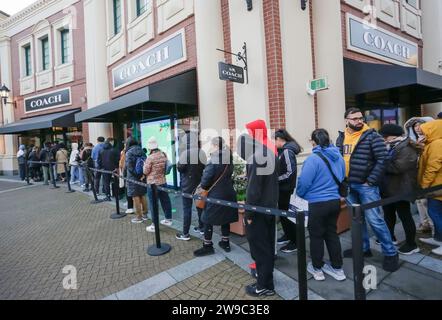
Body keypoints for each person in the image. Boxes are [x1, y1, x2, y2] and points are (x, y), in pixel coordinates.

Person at [336, 108, 399, 272]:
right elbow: (338, 159)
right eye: (355, 118)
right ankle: (363, 249)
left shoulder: (372, 136)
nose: (359, 121)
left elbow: (383, 160)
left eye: (360, 118)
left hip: (366, 187)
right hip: (349, 185)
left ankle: (391, 253)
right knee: (357, 220)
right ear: (346, 120)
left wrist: (370, 181)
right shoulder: (341, 137)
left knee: (375, 220)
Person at [297, 129, 346, 281]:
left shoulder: (313, 159)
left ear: (313, 141)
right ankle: (337, 268)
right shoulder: (338, 156)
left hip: (316, 204)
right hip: (334, 202)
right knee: (332, 233)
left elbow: (304, 183)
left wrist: (300, 195)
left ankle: (317, 268)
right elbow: (342, 176)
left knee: (316, 236)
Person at [238, 119, 279, 297]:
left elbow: (253, 191)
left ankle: (264, 286)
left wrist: (248, 214)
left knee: (260, 249)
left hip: (259, 211)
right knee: (268, 247)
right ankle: (267, 281)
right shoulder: (269, 153)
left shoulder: (255, 158)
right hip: (270, 208)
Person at [378, 124, 420, 255]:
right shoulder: (393, 145)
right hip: (389, 187)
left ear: (393, 135)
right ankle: (390, 237)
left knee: (405, 216)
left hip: (401, 188)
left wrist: (381, 161)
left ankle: (411, 244)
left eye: (385, 136)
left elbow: (397, 167)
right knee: (388, 214)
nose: (383, 139)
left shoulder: (407, 147)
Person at [193, 137, 237, 256]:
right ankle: (225, 242)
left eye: (211, 145)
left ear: (216, 146)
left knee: (206, 219)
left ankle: (207, 246)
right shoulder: (229, 158)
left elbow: (205, 182)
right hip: (229, 193)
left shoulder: (213, 160)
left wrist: (203, 185)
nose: (210, 147)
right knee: (226, 218)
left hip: (215, 195)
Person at [274, 129, 302, 253]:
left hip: (285, 189)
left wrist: (276, 179)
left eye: (274, 140)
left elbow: (290, 172)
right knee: (283, 215)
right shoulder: (282, 151)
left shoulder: (287, 151)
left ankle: (295, 241)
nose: (273, 143)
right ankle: (288, 235)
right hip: (282, 188)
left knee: (288, 216)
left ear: (280, 140)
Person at [405, 117, 435, 233]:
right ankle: (425, 223)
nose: (417, 128)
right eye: (415, 126)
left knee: (428, 203)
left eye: (420, 125)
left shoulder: (433, 140)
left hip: (430, 177)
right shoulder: (414, 140)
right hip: (417, 176)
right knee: (420, 201)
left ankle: (435, 231)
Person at [417, 118, 442, 256]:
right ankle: (438, 238)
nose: (422, 134)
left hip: (436, 186)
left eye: (424, 131)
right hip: (436, 185)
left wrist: (424, 186)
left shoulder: (437, 143)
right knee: (436, 212)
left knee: (435, 213)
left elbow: (432, 167)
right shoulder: (433, 142)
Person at [176, 131, 207, 241]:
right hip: (199, 184)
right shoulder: (201, 152)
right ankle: (202, 228)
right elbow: (205, 167)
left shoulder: (185, 153)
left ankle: (185, 234)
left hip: (187, 186)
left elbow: (180, 168)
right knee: (200, 207)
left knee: (187, 209)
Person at [143, 137, 173, 232]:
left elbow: (145, 171)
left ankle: (154, 225)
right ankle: (168, 219)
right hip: (163, 181)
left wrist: (144, 165)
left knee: (153, 204)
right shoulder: (163, 154)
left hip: (152, 184)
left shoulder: (150, 157)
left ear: (150, 148)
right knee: (165, 200)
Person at [125, 137, 148, 224]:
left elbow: (129, 167)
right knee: (142, 195)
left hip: (133, 178)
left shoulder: (129, 152)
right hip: (142, 176)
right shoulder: (141, 150)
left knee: (135, 197)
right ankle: (145, 214)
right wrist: (142, 175)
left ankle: (139, 217)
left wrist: (136, 175)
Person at [119, 143, 134, 214]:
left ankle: (130, 206)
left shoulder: (127, 153)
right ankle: (129, 203)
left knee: (129, 189)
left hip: (128, 174)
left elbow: (123, 164)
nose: (124, 147)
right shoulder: (125, 152)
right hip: (131, 174)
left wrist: (123, 173)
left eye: (125, 145)